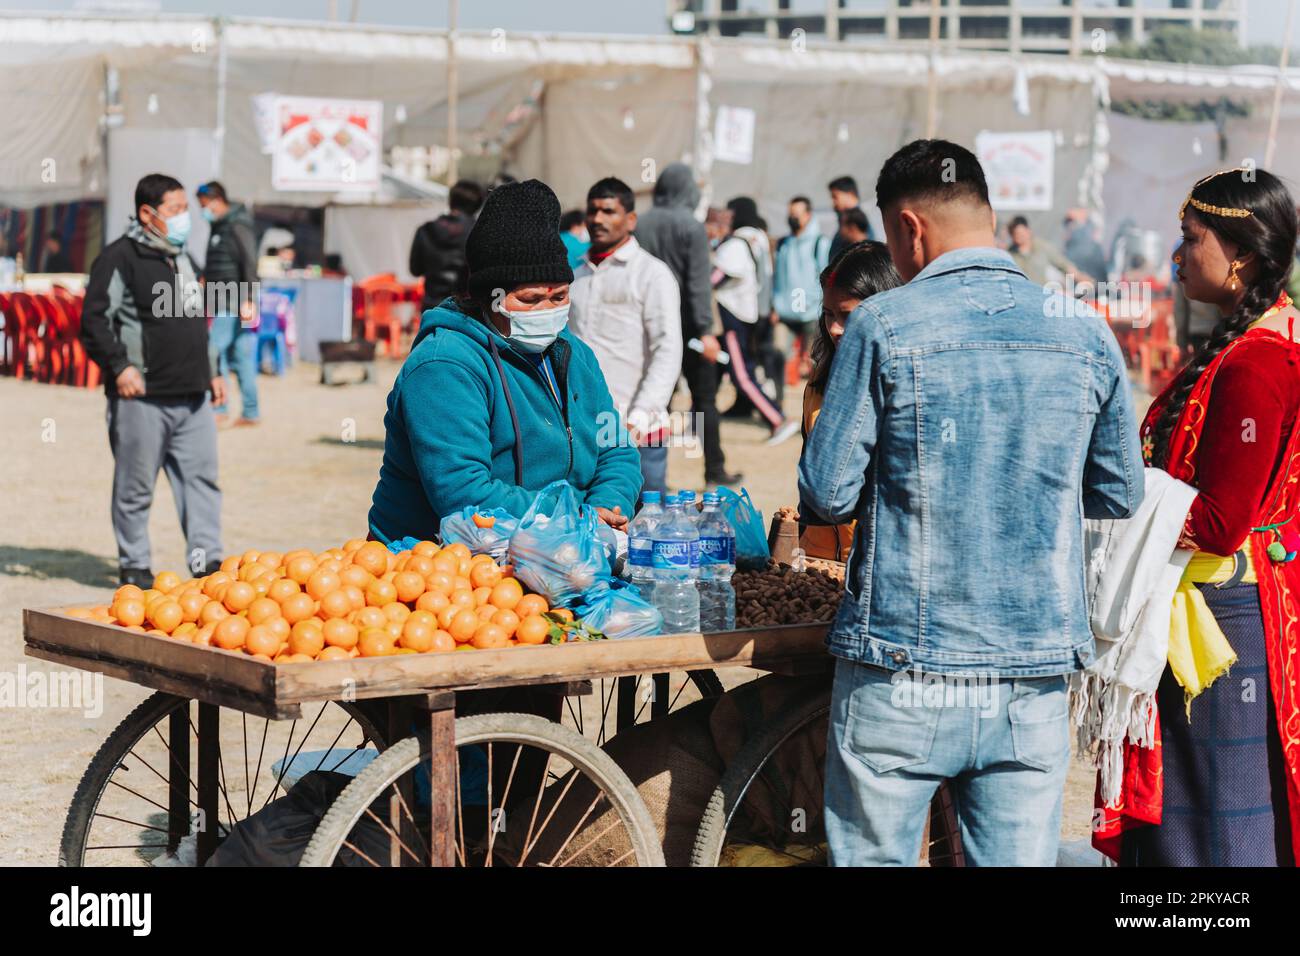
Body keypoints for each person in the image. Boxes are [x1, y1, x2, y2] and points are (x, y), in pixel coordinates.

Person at [798, 139, 1142, 866]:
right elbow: (1118, 491)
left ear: (907, 229)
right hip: (1032, 679)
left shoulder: (882, 326)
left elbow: (826, 496)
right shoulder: (1084, 327)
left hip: (902, 670)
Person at [1098, 168, 1300, 867]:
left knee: (1219, 825)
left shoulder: (1258, 363)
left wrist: (1106, 502)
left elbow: (1217, 522)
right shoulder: (1243, 348)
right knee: (1193, 820)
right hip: (1210, 606)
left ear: (1240, 254)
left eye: (1190, 240)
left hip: (1219, 623)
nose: (1178, 257)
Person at [369, 179, 642, 542]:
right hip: (437, 567)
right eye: (530, 300)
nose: (548, 310)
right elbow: (464, 493)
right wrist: (578, 516)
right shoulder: (443, 367)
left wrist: (607, 507)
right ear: (490, 299)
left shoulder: (576, 356)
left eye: (559, 296)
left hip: (560, 552)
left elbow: (616, 448)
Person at [80, 173, 227, 588]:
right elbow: (94, 320)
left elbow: (201, 320)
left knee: (201, 483)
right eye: (175, 210)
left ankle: (206, 563)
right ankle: (135, 565)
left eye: (185, 209)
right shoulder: (118, 258)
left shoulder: (183, 258)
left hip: (193, 397)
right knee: (134, 487)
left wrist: (214, 369)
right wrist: (119, 366)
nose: (185, 218)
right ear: (147, 214)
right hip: (142, 397)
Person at [568, 177, 682, 499]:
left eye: (608, 211)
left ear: (630, 219)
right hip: (586, 424)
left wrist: (638, 419)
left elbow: (667, 350)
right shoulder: (576, 275)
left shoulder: (652, 274)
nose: (598, 219)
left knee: (642, 527)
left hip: (639, 428)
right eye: (592, 211)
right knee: (594, 523)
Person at [635, 162, 740, 486]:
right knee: (704, 400)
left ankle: (648, 477)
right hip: (691, 329)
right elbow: (698, 284)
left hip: (650, 326)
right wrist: (707, 330)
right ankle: (714, 471)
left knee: (654, 401)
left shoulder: (640, 223)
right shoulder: (691, 227)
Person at [799, 241, 900, 562]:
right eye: (828, 315)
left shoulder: (904, 386)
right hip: (821, 560)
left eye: (847, 316)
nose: (835, 329)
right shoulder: (817, 384)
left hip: (876, 562)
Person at [712, 197, 799, 447]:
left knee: (742, 375)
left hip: (733, 315)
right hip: (753, 313)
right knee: (713, 374)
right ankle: (696, 426)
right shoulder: (759, 238)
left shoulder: (737, 242)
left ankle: (777, 419)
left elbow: (717, 276)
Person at [197, 181, 260, 427]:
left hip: (233, 300)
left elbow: (249, 262)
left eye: (205, 205)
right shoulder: (218, 226)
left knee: (213, 350)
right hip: (218, 297)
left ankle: (219, 407)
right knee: (241, 356)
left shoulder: (237, 224)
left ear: (217, 199)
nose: (203, 210)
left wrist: (250, 299)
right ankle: (251, 412)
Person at [773, 195, 831, 387]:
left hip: (811, 313)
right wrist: (774, 305)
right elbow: (777, 277)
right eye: (790, 214)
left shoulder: (820, 243)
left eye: (796, 214)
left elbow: (827, 276)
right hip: (784, 313)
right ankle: (777, 406)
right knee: (778, 357)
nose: (792, 218)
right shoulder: (783, 244)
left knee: (814, 365)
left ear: (808, 215)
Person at [409, 178, 485, 313]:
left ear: (450, 201)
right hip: (465, 312)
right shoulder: (479, 232)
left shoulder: (426, 230)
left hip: (431, 308)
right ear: (477, 206)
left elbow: (415, 269)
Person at [1007, 215, 1091, 287]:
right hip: (1020, 296)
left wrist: (1080, 277)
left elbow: (1063, 264)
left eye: (1020, 233)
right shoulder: (1009, 254)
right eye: (1015, 234)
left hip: (1040, 294)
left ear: (1028, 231)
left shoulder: (1042, 247)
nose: (1018, 237)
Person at [827, 175, 871, 260]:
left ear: (850, 194)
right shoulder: (843, 220)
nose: (833, 203)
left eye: (835, 197)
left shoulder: (858, 224)